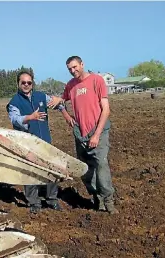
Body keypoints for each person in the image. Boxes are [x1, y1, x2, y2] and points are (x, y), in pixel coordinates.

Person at [50, 55, 119, 214]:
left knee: (101, 166)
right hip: (80, 133)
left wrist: (96, 135)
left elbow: (106, 109)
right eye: (70, 69)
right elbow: (60, 101)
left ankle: (108, 201)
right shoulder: (71, 85)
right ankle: (97, 198)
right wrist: (67, 116)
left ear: (82, 64)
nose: (73, 71)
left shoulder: (96, 80)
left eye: (75, 67)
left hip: (97, 132)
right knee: (85, 169)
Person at [6, 70, 65, 214]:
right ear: (18, 84)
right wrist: (30, 117)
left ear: (32, 84)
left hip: (45, 140)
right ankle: (34, 202)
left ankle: (52, 199)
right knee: (30, 172)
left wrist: (60, 103)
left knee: (51, 169)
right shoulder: (14, 102)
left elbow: (57, 104)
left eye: (29, 82)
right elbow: (15, 119)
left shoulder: (40, 96)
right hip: (27, 143)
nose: (26, 85)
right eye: (23, 82)